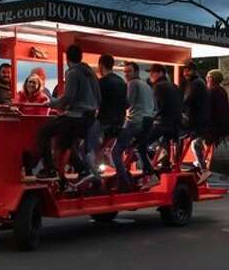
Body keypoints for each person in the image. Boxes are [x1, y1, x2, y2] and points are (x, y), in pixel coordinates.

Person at [32, 44, 100, 182]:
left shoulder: (72, 73)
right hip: (89, 117)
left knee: (44, 132)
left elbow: (69, 96)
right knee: (67, 143)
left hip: (75, 117)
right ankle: (82, 170)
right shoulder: (90, 72)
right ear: (81, 57)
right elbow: (98, 96)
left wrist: (52, 103)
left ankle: (50, 169)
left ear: (67, 58)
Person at [114, 61, 155, 190]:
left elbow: (127, 103)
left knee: (115, 152)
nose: (126, 74)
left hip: (134, 121)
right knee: (136, 147)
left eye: (129, 71)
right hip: (147, 121)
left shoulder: (132, 84)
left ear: (136, 72)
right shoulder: (146, 85)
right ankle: (149, 173)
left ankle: (124, 182)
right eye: (124, 71)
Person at [91, 54, 127, 177]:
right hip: (119, 123)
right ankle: (105, 157)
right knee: (104, 145)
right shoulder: (122, 82)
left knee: (86, 147)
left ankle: (94, 171)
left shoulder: (102, 83)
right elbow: (126, 104)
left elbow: (94, 102)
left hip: (104, 122)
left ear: (101, 65)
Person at [143, 64, 182, 171]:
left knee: (141, 143)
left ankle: (149, 168)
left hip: (163, 122)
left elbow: (158, 107)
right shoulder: (174, 86)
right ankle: (165, 164)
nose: (150, 75)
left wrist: (151, 118)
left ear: (160, 73)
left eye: (152, 72)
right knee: (165, 142)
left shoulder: (158, 86)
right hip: (175, 124)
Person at [180, 59, 210, 171]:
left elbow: (187, 101)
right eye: (185, 71)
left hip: (195, 121)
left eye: (188, 71)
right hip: (198, 120)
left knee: (172, 132)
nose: (185, 73)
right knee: (195, 145)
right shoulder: (197, 82)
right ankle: (202, 167)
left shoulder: (196, 83)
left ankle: (202, 167)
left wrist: (179, 109)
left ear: (194, 71)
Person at [205, 69, 229, 149]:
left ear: (212, 79)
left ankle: (200, 161)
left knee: (196, 143)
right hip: (222, 127)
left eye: (208, 77)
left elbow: (209, 110)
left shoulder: (212, 91)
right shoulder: (222, 91)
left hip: (214, 128)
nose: (206, 78)